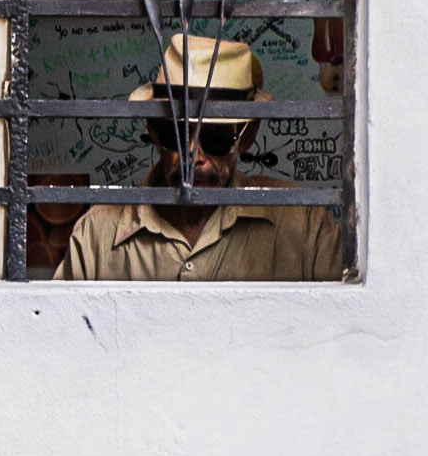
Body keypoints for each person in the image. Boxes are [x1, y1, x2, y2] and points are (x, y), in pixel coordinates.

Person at [55, 34, 341, 281]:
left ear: (248, 135)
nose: (193, 155)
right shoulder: (97, 235)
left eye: (215, 136)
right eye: (176, 134)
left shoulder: (305, 226)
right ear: (154, 131)